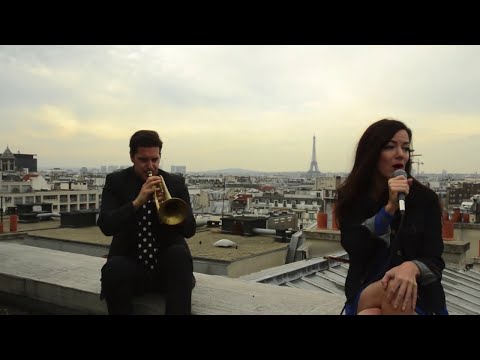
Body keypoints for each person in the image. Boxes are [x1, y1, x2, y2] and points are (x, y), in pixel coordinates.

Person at [336, 119, 447, 315]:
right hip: (367, 288)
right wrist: (389, 209)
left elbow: (435, 260)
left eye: (405, 148)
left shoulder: (425, 199)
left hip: (419, 295)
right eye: (390, 146)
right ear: (371, 153)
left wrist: (412, 267)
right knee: (393, 289)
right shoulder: (353, 197)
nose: (400, 154)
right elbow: (354, 247)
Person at [97, 130, 196, 315]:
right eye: (143, 160)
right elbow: (106, 225)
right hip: (131, 268)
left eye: (155, 159)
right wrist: (136, 203)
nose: (150, 166)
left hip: (166, 270)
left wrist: (170, 208)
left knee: (179, 255)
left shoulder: (175, 183)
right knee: (114, 268)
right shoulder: (116, 181)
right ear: (132, 157)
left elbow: (190, 230)